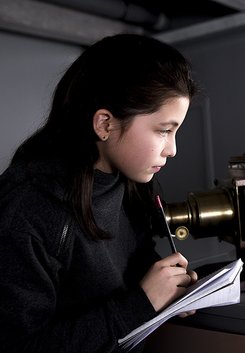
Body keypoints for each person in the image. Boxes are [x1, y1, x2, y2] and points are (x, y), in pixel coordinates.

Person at [0, 34, 199, 352]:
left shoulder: (128, 184)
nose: (172, 149)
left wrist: (170, 285)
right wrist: (142, 303)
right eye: (164, 130)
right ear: (105, 124)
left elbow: (131, 262)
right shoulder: (27, 211)